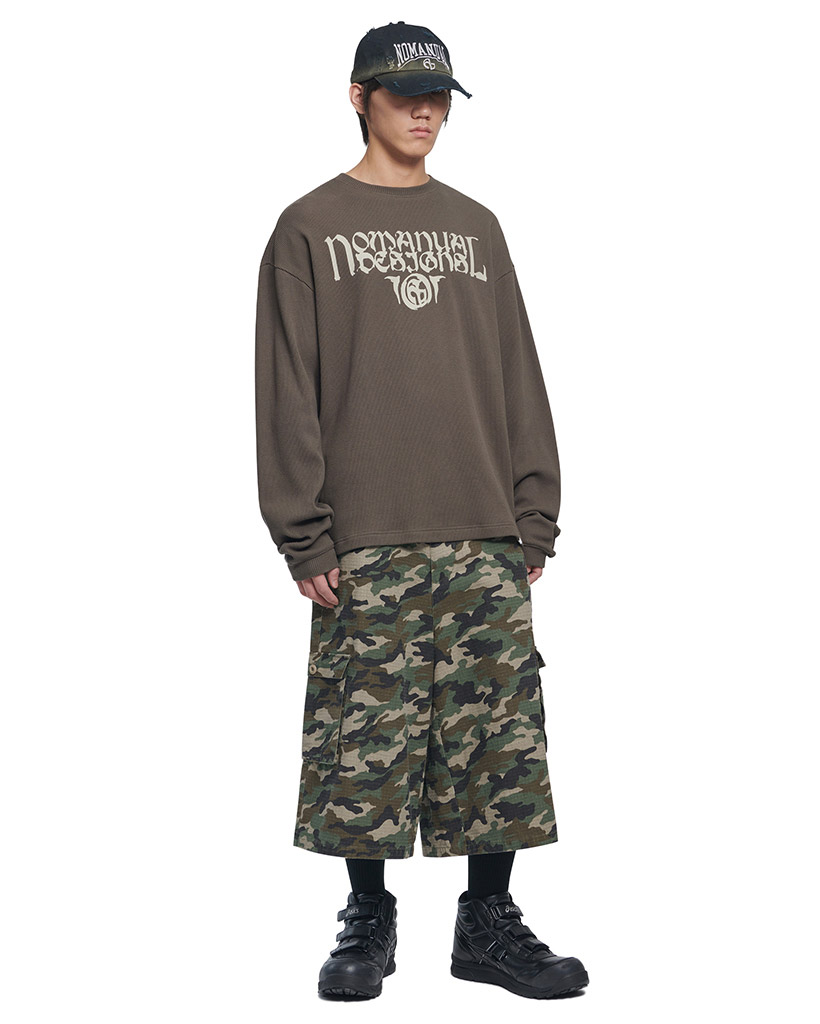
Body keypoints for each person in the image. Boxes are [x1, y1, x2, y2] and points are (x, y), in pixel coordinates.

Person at [254, 20, 589, 1002]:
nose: (424, 111)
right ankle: (368, 915)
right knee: (365, 737)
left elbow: (516, 370)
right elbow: (287, 385)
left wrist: (534, 508)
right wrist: (304, 530)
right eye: (403, 93)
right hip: (366, 534)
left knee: (498, 736)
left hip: (483, 525)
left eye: (437, 94)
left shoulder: (478, 227)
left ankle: (488, 921)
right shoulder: (308, 226)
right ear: (358, 96)